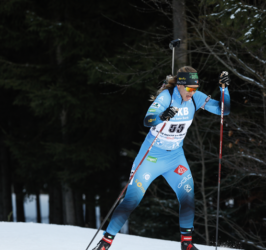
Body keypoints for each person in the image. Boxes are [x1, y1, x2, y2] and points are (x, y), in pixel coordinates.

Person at [93, 66, 231, 250]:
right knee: (132, 200)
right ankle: (105, 242)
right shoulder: (166, 97)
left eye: (195, 88)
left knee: (188, 196)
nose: (192, 92)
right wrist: (162, 115)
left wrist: (224, 90)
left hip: (175, 157)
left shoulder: (195, 98)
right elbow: (147, 120)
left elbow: (223, 110)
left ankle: (187, 244)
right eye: (189, 88)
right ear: (180, 85)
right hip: (151, 157)